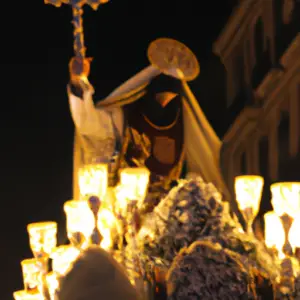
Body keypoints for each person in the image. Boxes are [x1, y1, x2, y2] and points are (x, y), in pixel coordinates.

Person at [68, 38, 229, 204]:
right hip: (126, 214)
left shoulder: (186, 126)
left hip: (169, 218)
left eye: (172, 95)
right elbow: (88, 123)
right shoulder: (123, 118)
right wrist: (78, 81)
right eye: (162, 93)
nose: (166, 102)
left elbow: (206, 171)